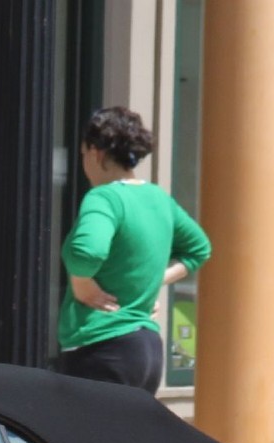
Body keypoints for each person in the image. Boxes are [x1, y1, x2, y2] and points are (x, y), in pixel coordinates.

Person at [54, 107, 208, 393]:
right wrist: (150, 281)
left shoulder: (104, 197)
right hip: (146, 352)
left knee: (84, 439)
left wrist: (81, 282)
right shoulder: (158, 199)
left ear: (95, 153)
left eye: (83, 153)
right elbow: (199, 250)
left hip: (100, 347)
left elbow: (86, 253)